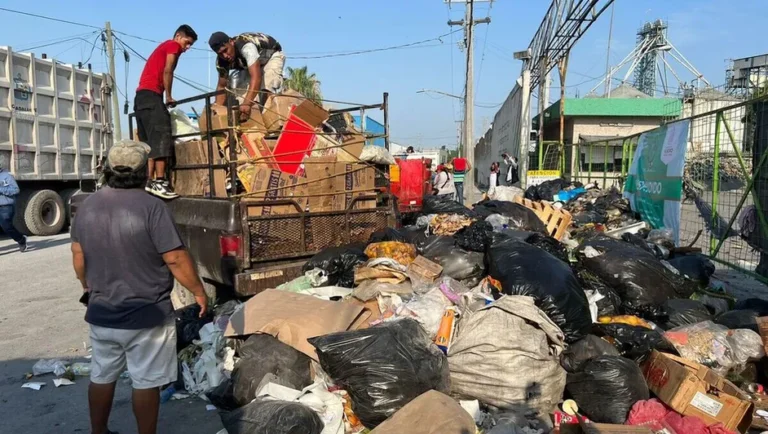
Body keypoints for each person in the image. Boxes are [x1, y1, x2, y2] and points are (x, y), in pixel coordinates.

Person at [71, 140, 208, 434]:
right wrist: (198, 291)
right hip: (148, 315)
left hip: (102, 311)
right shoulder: (152, 207)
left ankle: (99, 431)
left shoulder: (87, 207)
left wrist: (87, 285)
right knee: (146, 381)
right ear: (144, 170)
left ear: (107, 169)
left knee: (102, 375)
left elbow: (78, 255)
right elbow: (174, 257)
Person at [135, 24, 198, 200]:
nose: (187, 48)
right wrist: (169, 96)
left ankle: (148, 181)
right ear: (178, 36)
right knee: (162, 136)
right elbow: (168, 70)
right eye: (187, 42)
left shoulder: (161, 47)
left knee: (149, 143)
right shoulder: (172, 45)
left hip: (140, 98)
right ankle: (160, 182)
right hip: (152, 96)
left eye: (190, 45)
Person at [209, 31, 285, 119]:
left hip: (271, 57)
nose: (225, 56)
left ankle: (269, 122)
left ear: (231, 42)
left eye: (225, 50)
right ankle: (252, 127)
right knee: (241, 97)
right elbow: (222, 87)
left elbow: (256, 77)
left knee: (266, 88)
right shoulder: (221, 62)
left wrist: (247, 103)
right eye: (220, 54)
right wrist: (217, 110)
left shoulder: (246, 47)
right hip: (250, 65)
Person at [0, 166, 27, 252]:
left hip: (6, 206)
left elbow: (16, 190)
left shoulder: (7, 176)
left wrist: (1, 189)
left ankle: (21, 239)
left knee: (6, 226)